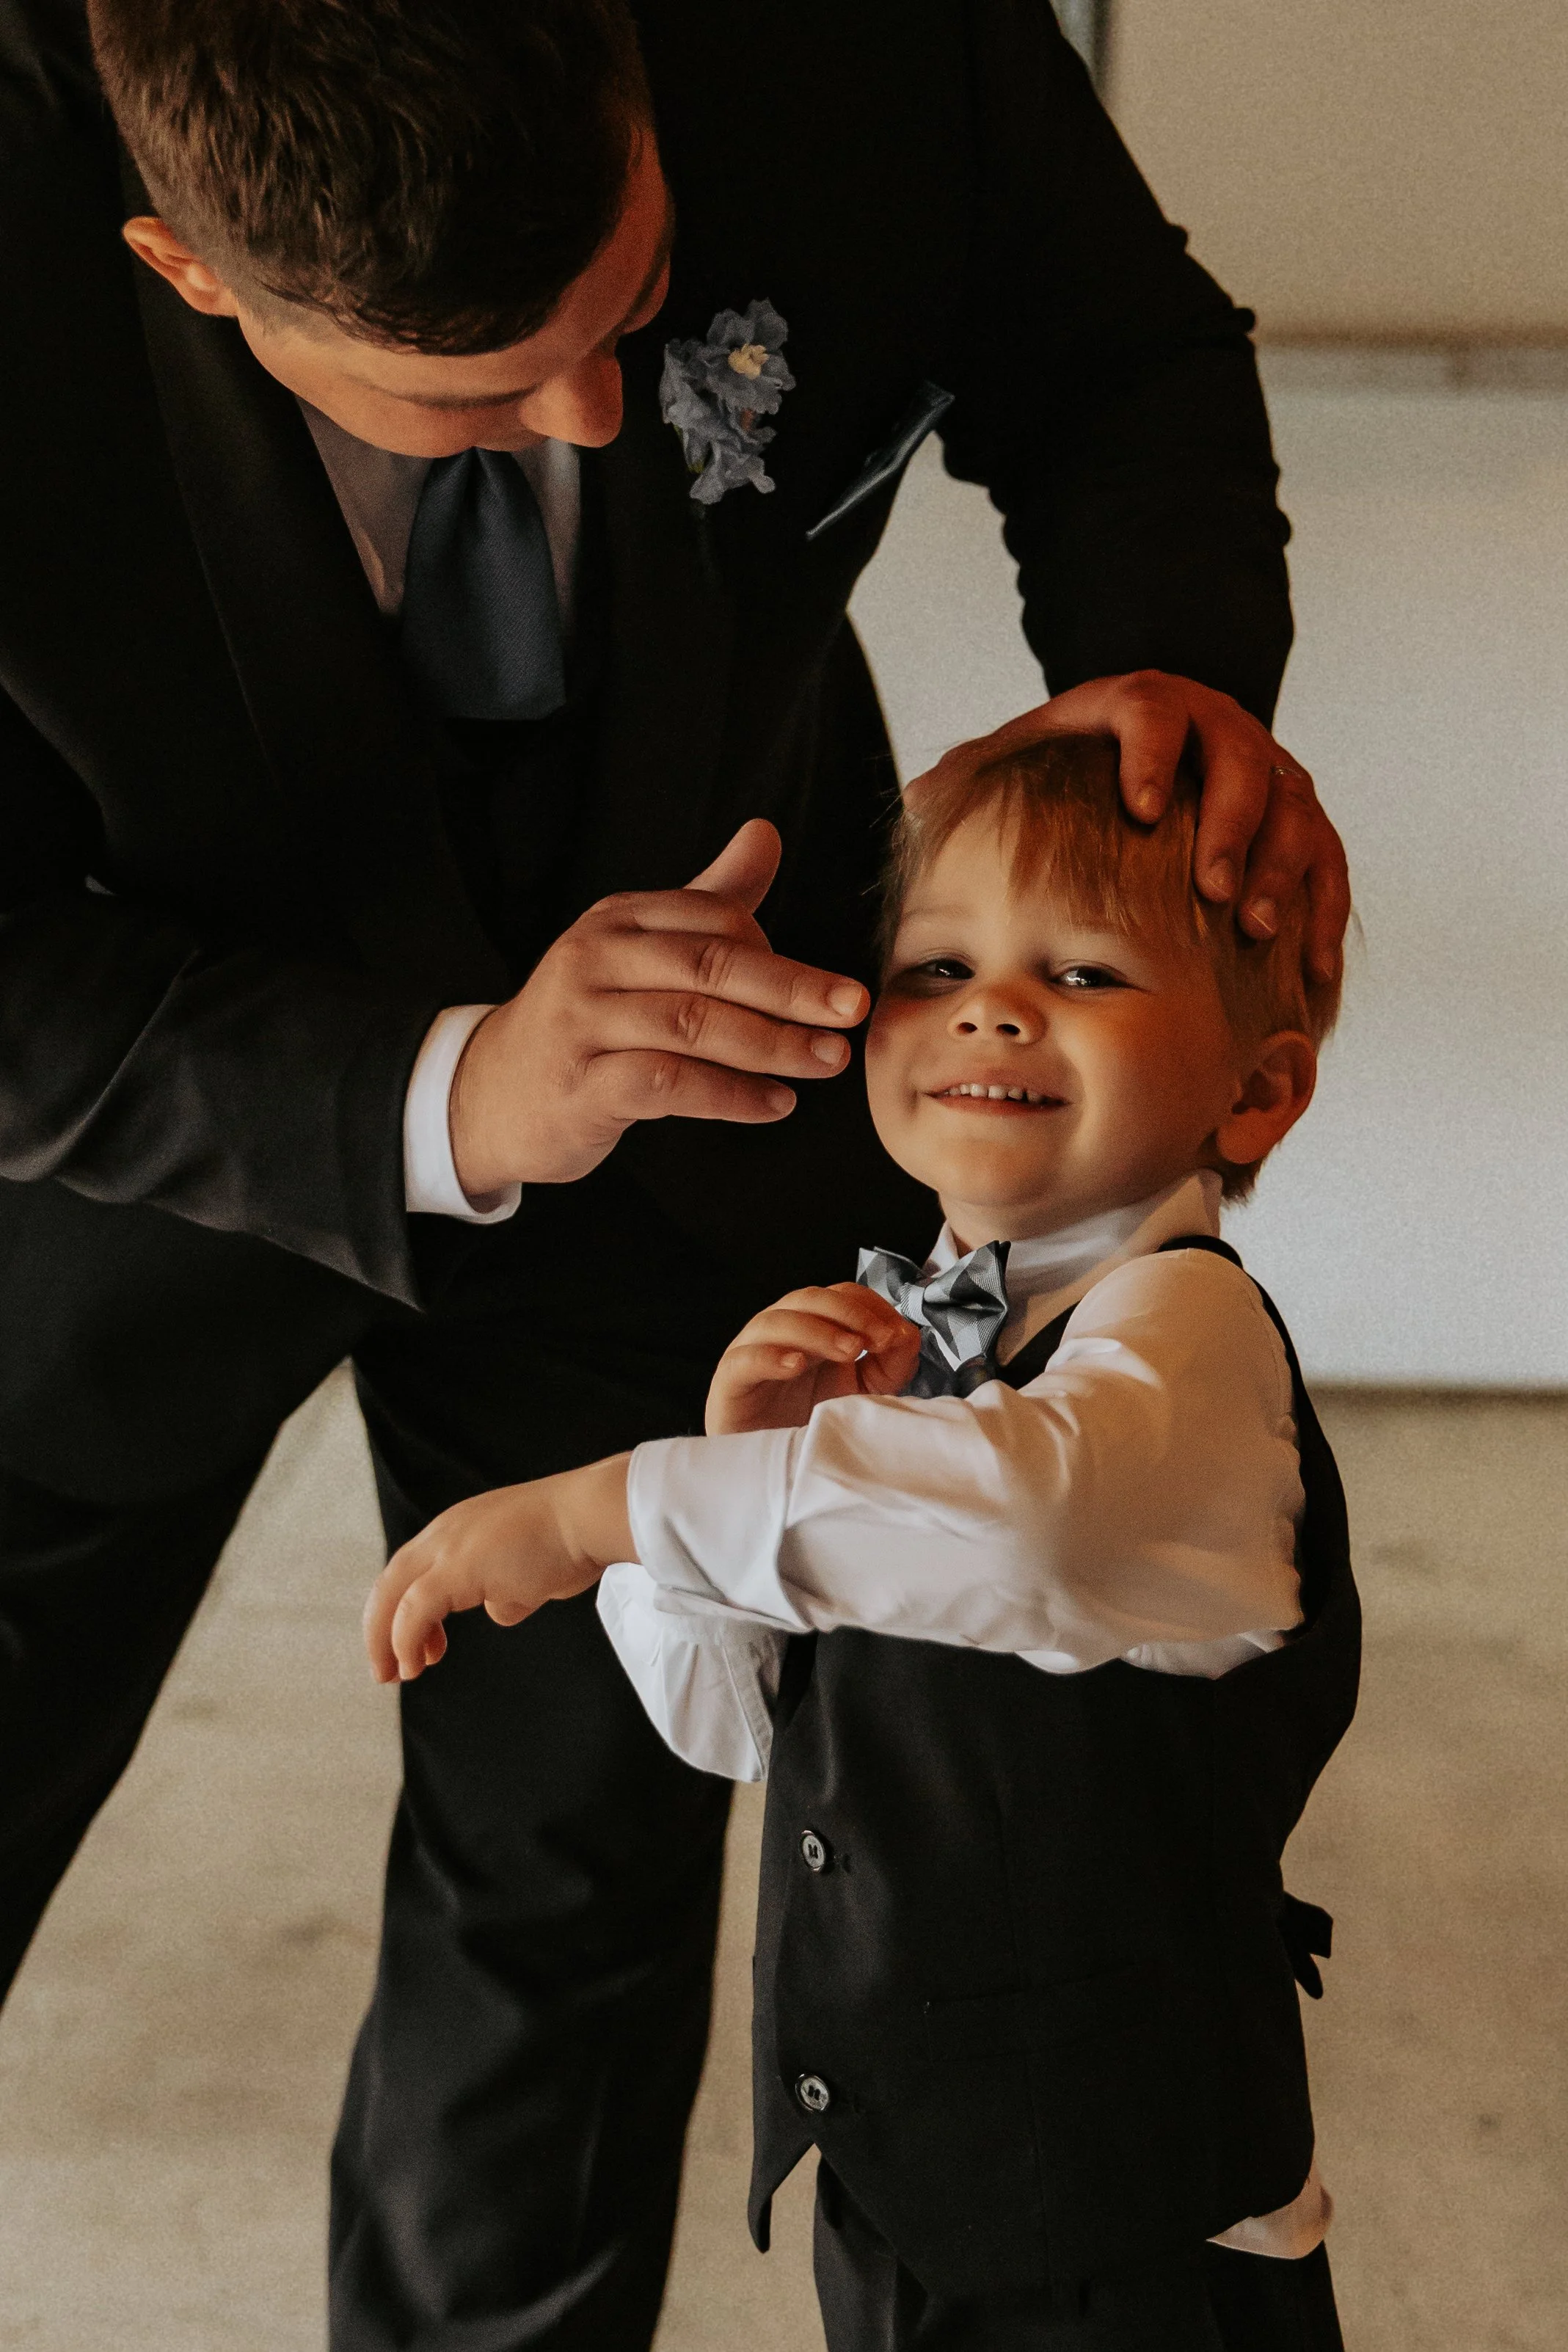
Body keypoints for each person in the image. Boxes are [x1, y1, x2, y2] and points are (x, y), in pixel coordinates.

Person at [0, 0, 1349, 2342]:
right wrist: (437, 1091)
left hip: (720, 1088)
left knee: (569, 1907)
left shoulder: (855, 38)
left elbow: (1114, 352)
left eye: (626, 311)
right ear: (187, 269)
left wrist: (1171, 671)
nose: (599, 422)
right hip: (111, 1158)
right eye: (472, 388)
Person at [366, 729, 1357, 2352]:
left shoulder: (1182, 1342)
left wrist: (600, 1504)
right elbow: (735, 1733)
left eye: (1087, 972)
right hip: (904, 2182)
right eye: (940, 963)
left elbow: (1024, 1518)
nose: (991, 1006)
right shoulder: (912, 1353)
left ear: (1257, 1091)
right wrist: (746, 1464)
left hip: (1131, 2221)